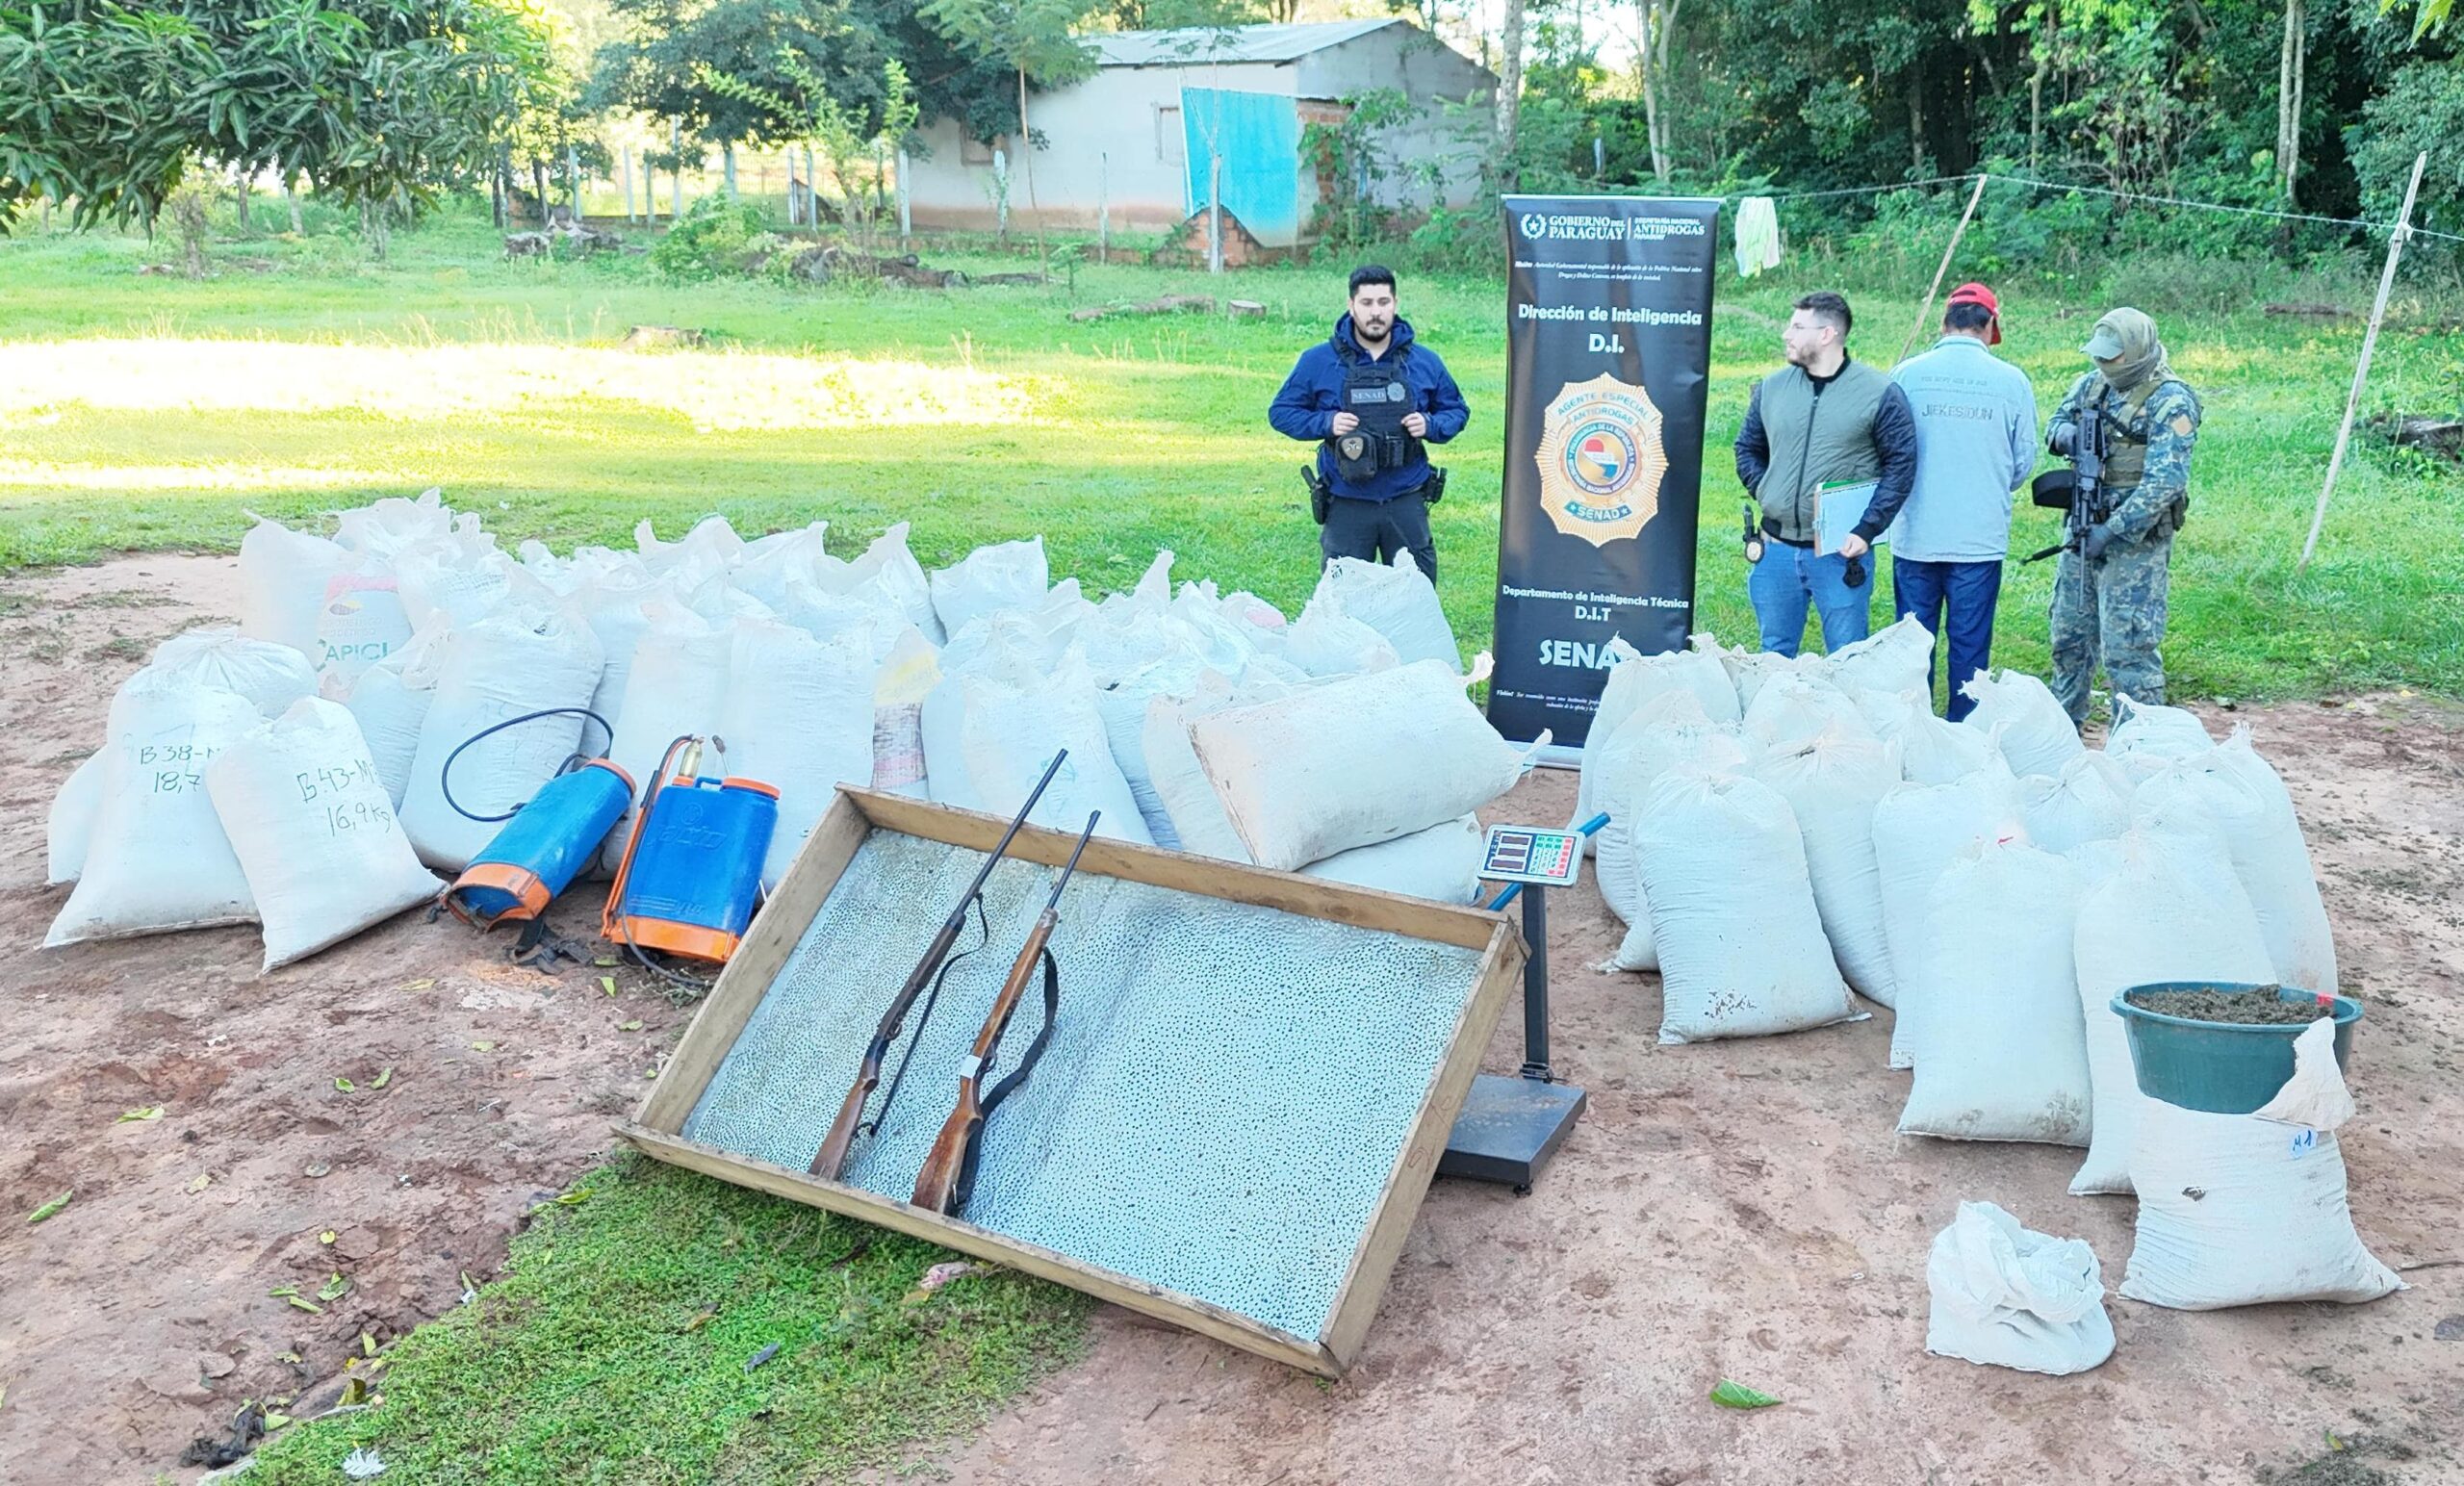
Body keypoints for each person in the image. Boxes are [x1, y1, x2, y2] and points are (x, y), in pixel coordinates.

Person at [1733, 291, 1918, 656]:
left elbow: (1901, 465)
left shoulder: (1879, 393)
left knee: (1847, 657)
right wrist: (1768, 490)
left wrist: (1867, 529)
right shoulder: (1772, 388)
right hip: (1775, 549)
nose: (1787, 334)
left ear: (1827, 334)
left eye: (1797, 327)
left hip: (1840, 553)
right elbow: (1747, 448)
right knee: (1773, 654)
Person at [1887, 282, 2040, 720]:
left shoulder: (1906, 375)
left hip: (1916, 535)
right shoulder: (2012, 381)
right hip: (1978, 538)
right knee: (1971, 649)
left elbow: (1886, 452)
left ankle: (1912, 728)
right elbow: (2022, 463)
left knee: (1911, 647)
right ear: (1990, 325)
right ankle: (1964, 734)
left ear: (1943, 323)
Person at [2045, 307, 2200, 726]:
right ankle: (2062, 735)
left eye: (2111, 355)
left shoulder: (2172, 401)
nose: (2102, 362)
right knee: (2068, 639)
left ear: (2136, 351)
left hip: (2134, 547)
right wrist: (2065, 435)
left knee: (2129, 652)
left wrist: (2111, 530)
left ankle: (2138, 744)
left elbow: (2165, 483)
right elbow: (2055, 423)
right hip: (2082, 532)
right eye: (2098, 354)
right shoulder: (2091, 385)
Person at [1269, 264, 1469, 580]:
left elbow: (1456, 411)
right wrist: (1327, 422)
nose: (1376, 312)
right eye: (1366, 303)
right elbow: (1281, 412)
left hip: (1406, 496)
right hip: (1346, 499)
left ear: (1395, 304)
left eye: (1383, 302)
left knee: (1415, 592)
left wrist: (1429, 424)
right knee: (1344, 597)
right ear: (1351, 305)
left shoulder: (1424, 361)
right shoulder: (1318, 361)